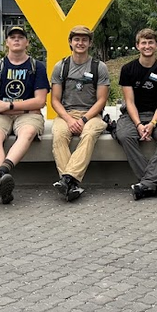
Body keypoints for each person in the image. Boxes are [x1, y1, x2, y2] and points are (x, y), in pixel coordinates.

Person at [0, 25, 49, 205]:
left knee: (27, 132)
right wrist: (25, 107)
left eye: (20, 37)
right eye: (12, 37)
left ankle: (0, 172)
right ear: (7, 43)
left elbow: (40, 101)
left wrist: (8, 105)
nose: (16, 39)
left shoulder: (37, 67)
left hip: (25, 115)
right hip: (5, 114)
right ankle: (2, 182)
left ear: (27, 42)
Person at [50, 24, 110, 202]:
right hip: (66, 114)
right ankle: (72, 183)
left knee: (90, 134)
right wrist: (68, 119)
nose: (80, 43)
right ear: (70, 42)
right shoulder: (61, 66)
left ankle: (67, 179)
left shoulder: (99, 67)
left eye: (84, 39)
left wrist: (84, 119)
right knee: (59, 135)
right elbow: (55, 99)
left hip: (91, 115)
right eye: (76, 39)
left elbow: (101, 100)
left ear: (90, 43)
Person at [116, 28, 157, 199]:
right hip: (132, 115)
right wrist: (139, 125)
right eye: (144, 42)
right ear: (137, 46)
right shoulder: (128, 69)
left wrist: (152, 124)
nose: (147, 46)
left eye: (151, 42)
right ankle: (154, 184)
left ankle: (146, 183)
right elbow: (129, 102)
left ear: (156, 45)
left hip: (156, 115)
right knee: (124, 135)